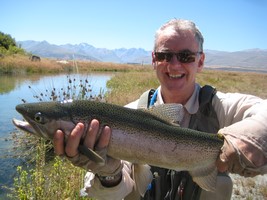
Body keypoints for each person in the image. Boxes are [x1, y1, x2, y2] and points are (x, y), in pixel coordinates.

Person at [53, 19, 267, 200]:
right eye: (165, 55)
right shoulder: (128, 115)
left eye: (185, 56)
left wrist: (243, 140)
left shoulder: (221, 107)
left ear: (200, 61)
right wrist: (108, 174)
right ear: (154, 60)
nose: (174, 65)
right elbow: (110, 195)